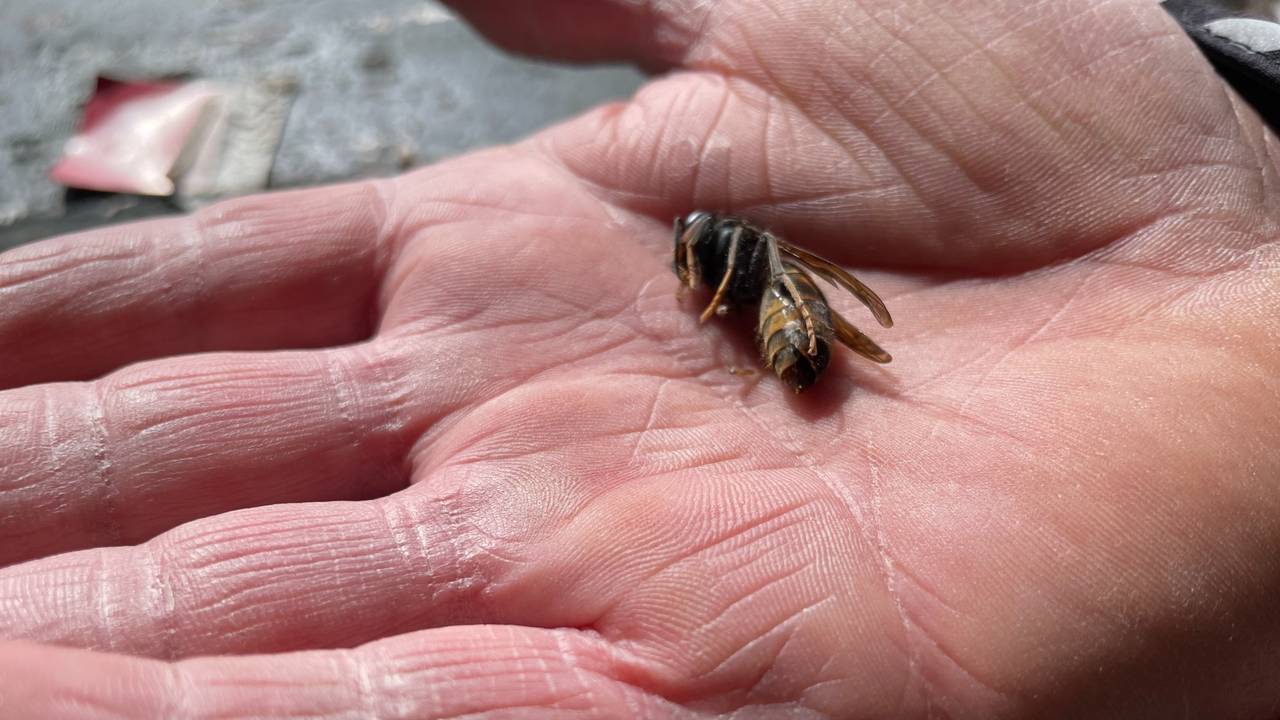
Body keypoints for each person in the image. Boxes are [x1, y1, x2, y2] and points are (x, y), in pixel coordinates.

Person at [1, 1, 1277, 717]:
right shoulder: (748, 263)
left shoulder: (762, 271)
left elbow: (746, 292)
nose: (694, 281)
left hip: (806, 331)